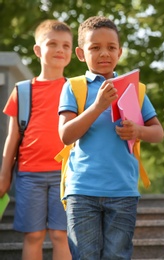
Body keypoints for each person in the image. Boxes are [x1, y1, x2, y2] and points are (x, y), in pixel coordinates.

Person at [58, 16, 164, 259]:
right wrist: (97, 106)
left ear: (120, 51)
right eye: (95, 47)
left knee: (117, 256)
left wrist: (138, 131)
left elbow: (157, 132)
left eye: (111, 47)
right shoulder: (73, 87)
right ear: (81, 53)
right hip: (82, 191)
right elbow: (65, 135)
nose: (104, 53)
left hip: (123, 192)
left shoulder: (134, 88)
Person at [0, 20, 73, 259]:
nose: (60, 49)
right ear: (38, 50)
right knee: (33, 235)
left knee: (61, 235)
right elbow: (13, 137)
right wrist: (4, 175)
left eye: (66, 45)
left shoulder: (75, 89)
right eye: (52, 43)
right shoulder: (22, 90)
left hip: (66, 174)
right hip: (29, 175)